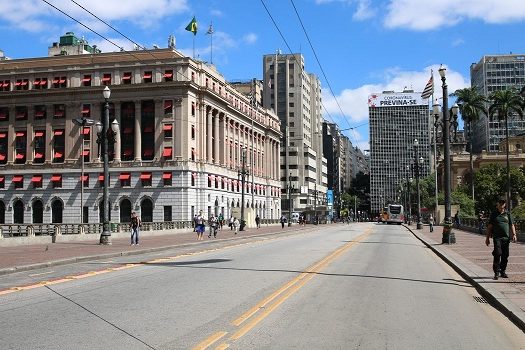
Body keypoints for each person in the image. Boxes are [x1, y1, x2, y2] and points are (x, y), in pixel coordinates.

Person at [486, 198, 517, 280]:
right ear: (497, 205)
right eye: (500, 203)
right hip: (497, 238)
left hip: (506, 238)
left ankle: (502, 271)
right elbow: (490, 227)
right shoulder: (494, 214)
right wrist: (487, 238)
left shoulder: (508, 214)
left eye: (503, 203)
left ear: (505, 205)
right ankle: (496, 273)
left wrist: (514, 234)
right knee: (498, 253)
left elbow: (512, 225)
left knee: (505, 255)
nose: (501, 205)